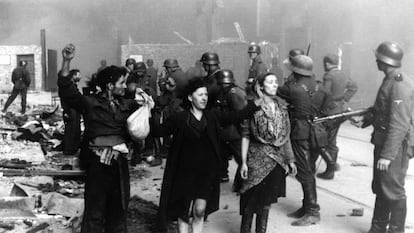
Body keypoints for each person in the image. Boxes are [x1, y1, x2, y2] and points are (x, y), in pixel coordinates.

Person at [155, 78, 262, 233]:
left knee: (199, 210)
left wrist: (256, 102)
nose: (204, 98)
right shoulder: (180, 118)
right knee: (183, 212)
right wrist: (149, 112)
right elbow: (159, 131)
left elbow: (236, 116)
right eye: (200, 95)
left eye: (205, 94)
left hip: (205, 173)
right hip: (183, 174)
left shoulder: (212, 116)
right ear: (190, 98)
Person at [58, 44, 143, 233]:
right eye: (121, 83)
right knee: (95, 213)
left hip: (119, 166)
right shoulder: (90, 103)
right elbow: (66, 90)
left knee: (119, 211)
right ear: (110, 86)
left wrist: (147, 106)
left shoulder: (128, 105)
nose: (124, 86)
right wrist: (66, 61)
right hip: (97, 166)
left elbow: (141, 126)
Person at [361, 42, 413, 233]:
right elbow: (383, 110)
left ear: (384, 60)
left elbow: (400, 123)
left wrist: (387, 155)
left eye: (378, 57)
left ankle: (396, 230)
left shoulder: (399, 83)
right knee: (382, 186)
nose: (376, 60)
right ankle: (378, 228)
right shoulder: (390, 79)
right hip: (385, 142)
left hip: (395, 146)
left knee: (394, 189)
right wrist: (368, 119)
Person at [239, 72, 297, 233]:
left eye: (276, 82)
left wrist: (290, 159)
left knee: (266, 203)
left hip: (276, 161)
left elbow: (285, 137)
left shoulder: (282, 107)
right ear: (260, 86)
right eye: (270, 82)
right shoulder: (252, 107)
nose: (274, 85)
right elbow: (245, 136)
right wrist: (243, 162)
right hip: (255, 159)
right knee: (251, 201)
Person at [277, 55, 323, 226]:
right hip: (310, 130)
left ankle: (312, 211)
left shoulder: (293, 88)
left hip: (299, 132)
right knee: (308, 169)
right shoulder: (312, 82)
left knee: (304, 171)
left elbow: (278, 90)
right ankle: (306, 207)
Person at [317, 53, 358, 180]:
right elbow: (354, 87)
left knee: (320, 139)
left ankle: (330, 168)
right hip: (340, 110)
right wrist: (343, 100)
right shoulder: (343, 74)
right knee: (332, 139)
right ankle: (330, 170)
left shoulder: (329, 75)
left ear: (327, 63)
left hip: (328, 111)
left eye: (325, 63)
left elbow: (326, 92)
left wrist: (320, 105)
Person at [216, 69, 246, 184]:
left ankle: (243, 181)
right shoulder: (225, 92)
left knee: (241, 157)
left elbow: (241, 114)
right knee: (222, 154)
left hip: (234, 131)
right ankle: (223, 175)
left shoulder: (234, 93)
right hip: (225, 130)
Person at [60, 69, 82, 155]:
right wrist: (66, 111)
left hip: (75, 110)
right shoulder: (68, 87)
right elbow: (65, 100)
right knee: (70, 131)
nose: (80, 77)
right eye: (78, 75)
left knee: (76, 130)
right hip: (70, 111)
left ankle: (73, 149)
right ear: (73, 76)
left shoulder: (73, 86)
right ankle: (69, 150)